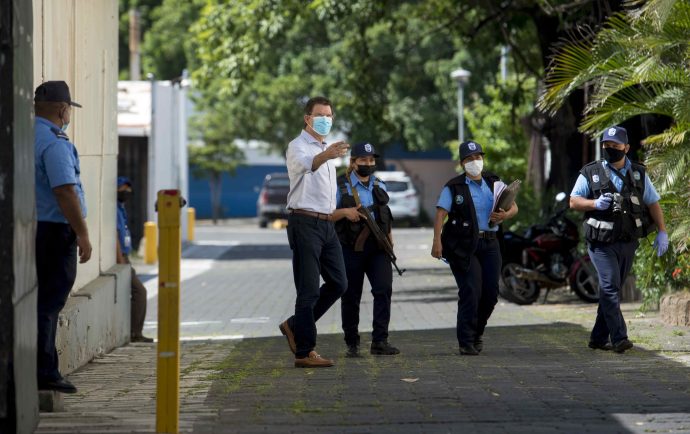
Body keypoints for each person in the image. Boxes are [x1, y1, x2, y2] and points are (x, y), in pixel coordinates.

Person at [570, 126, 668, 353]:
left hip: (627, 242)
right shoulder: (590, 172)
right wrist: (594, 204)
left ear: (626, 147)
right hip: (600, 243)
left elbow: (652, 203)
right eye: (606, 145)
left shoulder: (638, 173)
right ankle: (619, 338)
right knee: (610, 286)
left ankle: (597, 338)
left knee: (610, 289)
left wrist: (662, 231)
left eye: (615, 146)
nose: (610, 149)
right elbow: (574, 201)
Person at [278, 96, 350, 368]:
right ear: (307, 118)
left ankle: (295, 325)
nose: (326, 120)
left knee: (339, 283)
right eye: (321, 115)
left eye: (330, 115)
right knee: (307, 289)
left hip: (327, 224)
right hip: (304, 222)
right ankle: (304, 351)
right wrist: (326, 155)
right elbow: (307, 165)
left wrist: (328, 154)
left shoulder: (326, 149)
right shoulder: (298, 147)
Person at [431, 141, 518, 355]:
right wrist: (436, 241)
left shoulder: (494, 182)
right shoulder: (454, 186)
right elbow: (441, 214)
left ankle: (478, 332)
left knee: (491, 293)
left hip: (490, 243)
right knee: (471, 290)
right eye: (469, 159)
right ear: (462, 163)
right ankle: (466, 341)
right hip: (463, 245)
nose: (475, 162)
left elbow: (513, 206)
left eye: (478, 157)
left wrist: (505, 215)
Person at [34, 81, 92, 393]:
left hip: (31, 227)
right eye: (69, 108)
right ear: (62, 108)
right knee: (49, 302)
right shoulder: (55, 142)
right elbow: (64, 190)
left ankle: (36, 368)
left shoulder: (24, 135)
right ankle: (45, 372)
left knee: (36, 301)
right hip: (55, 231)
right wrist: (82, 233)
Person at [333, 142, 400, 358]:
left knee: (383, 290)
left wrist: (390, 242)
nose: (368, 164)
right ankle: (352, 342)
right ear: (353, 163)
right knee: (351, 296)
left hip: (378, 248)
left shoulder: (380, 184)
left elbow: (386, 216)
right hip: (350, 248)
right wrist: (345, 212)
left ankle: (380, 340)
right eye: (363, 161)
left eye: (371, 161)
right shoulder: (340, 186)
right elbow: (327, 215)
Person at [116, 177, 153, 343]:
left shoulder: (121, 209)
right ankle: (134, 332)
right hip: (121, 260)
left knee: (138, 292)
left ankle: (135, 332)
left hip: (126, 258)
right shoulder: (115, 210)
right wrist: (121, 262)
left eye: (128, 190)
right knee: (140, 291)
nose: (127, 193)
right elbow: (114, 236)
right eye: (123, 189)